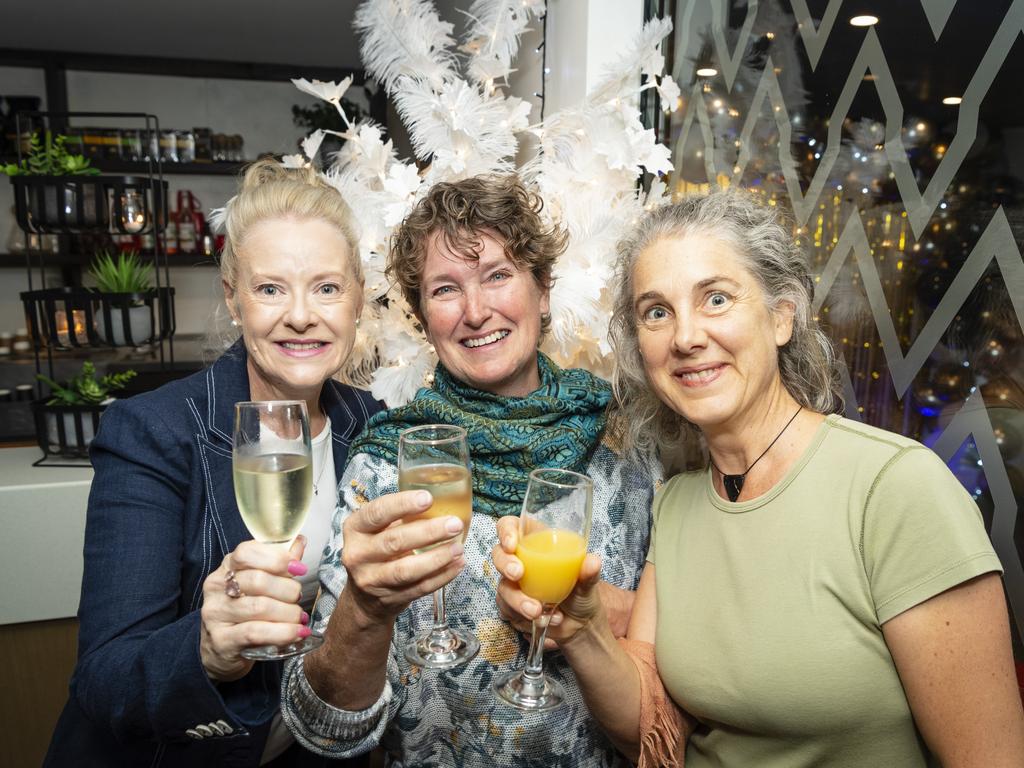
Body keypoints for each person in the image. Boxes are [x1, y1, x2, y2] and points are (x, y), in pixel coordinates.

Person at [493, 190, 1024, 767]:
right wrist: (582, 630)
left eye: (716, 298)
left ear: (780, 316)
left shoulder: (895, 489)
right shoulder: (680, 502)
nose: (686, 337)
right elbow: (652, 729)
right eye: (656, 312)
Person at [280, 175, 659, 766]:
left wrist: (612, 613)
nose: (476, 311)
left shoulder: (627, 455)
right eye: (445, 289)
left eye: (499, 275)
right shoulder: (386, 468)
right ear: (423, 317)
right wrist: (364, 608)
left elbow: (678, 686)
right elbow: (326, 730)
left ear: (543, 292)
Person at [45, 159, 381, 767]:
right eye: (271, 288)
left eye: (327, 287)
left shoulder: (371, 424)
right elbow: (104, 679)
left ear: (357, 297)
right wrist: (204, 647)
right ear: (233, 298)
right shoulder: (153, 432)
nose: (301, 315)